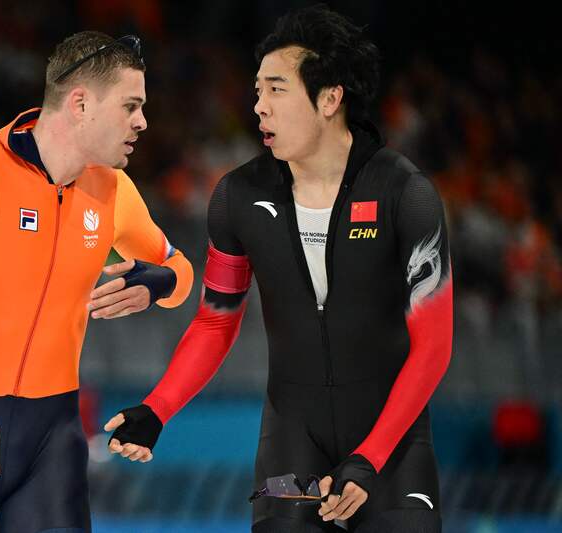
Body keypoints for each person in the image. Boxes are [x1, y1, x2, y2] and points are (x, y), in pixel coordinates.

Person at [105, 6, 453, 532]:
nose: (259, 106)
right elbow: (216, 320)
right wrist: (157, 408)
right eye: (257, 90)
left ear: (330, 99)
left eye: (276, 89)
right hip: (291, 447)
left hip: (392, 448)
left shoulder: (405, 195)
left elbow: (434, 346)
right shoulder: (238, 197)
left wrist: (370, 457)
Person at [0, 31, 194, 533]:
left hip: (51, 438)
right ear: (81, 104)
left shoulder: (115, 192)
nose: (142, 122)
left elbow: (182, 275)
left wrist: (161, 282)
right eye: (131, 106)